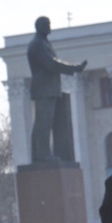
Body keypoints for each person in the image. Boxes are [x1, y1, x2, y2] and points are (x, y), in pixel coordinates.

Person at [27, 16, 87, 163]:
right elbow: (51, 64)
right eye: (46, 24)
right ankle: (42, 155)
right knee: (43, 124)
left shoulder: (43, 43)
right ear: (39, 27)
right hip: (44, 90)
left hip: (48, 89)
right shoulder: (37, 44)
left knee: (44, 123)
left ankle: (40, 155)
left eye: (49, 24)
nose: (49, 27)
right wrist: (74, 68)